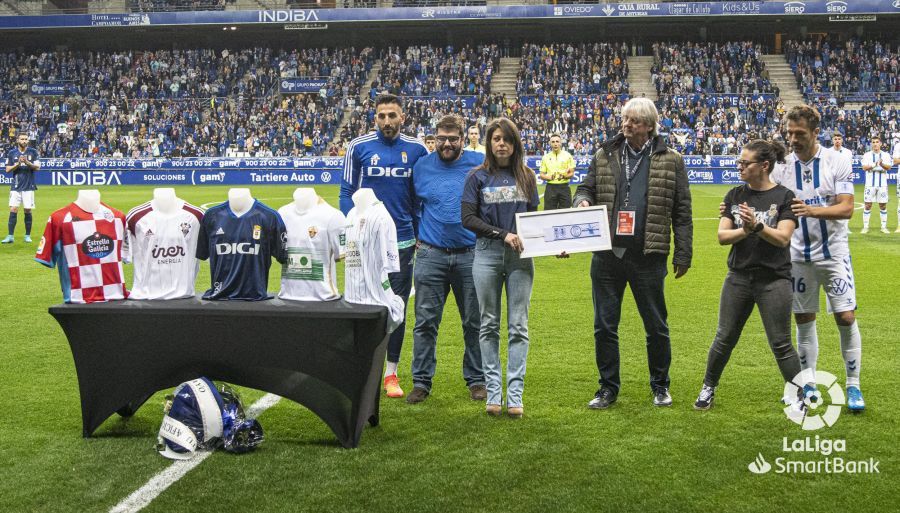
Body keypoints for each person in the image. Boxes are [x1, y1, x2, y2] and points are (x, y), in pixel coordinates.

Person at [572, 97, 693, 409]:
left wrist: (683, 253)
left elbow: (682, 211)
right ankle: (607, 388)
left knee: (656, 326)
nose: (626, 125)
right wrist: (582, 202)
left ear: (649, 127)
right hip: (608, 255)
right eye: (624, 119)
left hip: (648, 255)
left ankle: (660, 386)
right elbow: (585, 188)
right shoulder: (605, 153)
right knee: (604, 326)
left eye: (634, 121)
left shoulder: (672, 159)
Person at [694, 140, 804, 411]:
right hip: (738, 278)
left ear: (764, 166)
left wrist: (757, 226)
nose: (739, 166)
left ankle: (800, 395)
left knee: (781, 344)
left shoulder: (785, 197)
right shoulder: (734, 195)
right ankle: (708, 387)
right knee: (724, 337)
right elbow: (722, 236)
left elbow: (782, 238)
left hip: (774, 280)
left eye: (745, 163)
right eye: (739, 162)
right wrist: (746, 230)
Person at [769, 105, 864, 411]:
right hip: (797, 256)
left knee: (846, 317)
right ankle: (808, 381)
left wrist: (811, 210)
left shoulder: (838, 160)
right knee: (804, 318)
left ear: (814, 132)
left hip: (833, 253)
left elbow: (847, 207)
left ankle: (853, 386)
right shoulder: (782, 166)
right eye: (789, 133)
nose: (793, 139)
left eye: (799, 134)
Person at [340, 93, 429, 399]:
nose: (387, 121)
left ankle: (391, 373)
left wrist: (420, 233)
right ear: (374, 117)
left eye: (393, 115)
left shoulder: (417, 149)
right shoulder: (359, 147)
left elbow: (421, 196)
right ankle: (360, 366)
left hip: (403, 242)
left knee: (396, 307)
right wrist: (351, 231)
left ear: (402, 117)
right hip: (364, 245)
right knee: (360, 303)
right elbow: (346, 192)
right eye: (382, 116)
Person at [462, 117, 539, 418]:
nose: (501, 144)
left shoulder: (527, 177)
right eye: (496, 139)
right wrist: (502, 234)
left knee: (519, 325)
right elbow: (467, 219)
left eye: (506, 139)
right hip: (487, 254)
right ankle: (494, 392)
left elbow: (534, 221)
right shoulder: (476, 177)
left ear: (515, 143)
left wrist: (552, 245)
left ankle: (515, 393)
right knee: (489, 324)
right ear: (488, 143)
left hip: (521, 257)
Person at [407, 115, 486, 404]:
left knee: (474, 321)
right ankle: (421, 381)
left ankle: (477, 380)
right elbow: (412, 205)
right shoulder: (422, 166)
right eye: (442, 138)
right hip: (431, 254)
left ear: (463, 139)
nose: (447, 144)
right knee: (425, 321)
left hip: (470, 253)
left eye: (453, 138)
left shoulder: (478, 163)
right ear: (434, 138)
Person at [3, 133, 41, 244]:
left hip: (29, 186)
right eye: (22, 139)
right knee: (13, 209)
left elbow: (37, 167)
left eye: (25, 139)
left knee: (27, 210)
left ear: (28, 141)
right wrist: (18, 163)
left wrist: (27, 162)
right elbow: (7, 169)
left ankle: (27, 236)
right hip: (16, 186)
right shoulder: (11, 153)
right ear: (17, 140)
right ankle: (10, 236)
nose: (24, 141)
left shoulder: (33, 152)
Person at [860, 136, 892, 234]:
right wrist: (874, 165)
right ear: (871, 144)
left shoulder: (886, 155)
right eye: (873, 142)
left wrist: (881, 164)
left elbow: (889, 167)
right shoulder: (867, 155)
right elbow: (864, 167)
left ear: (880, 143)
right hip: (870, 184)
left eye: (877, 142)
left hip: (882, 185)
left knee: (882, 205)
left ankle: (883, 227)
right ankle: (865, 227)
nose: (875, 144)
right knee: (868, 205)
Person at [539, 133, 576, 210]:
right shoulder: (545, 157)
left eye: (557, 141)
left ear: (560, 143)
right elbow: (541, 175)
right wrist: (548, 177)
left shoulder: (568, 156)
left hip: (564, 187)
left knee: (566, 213)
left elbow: (572, 173)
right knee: (549, 213)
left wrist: (564, 176)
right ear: (550, 143)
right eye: (553, 142)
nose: (555, 144)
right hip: (550, 188)